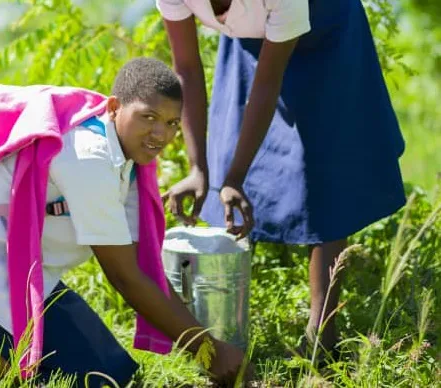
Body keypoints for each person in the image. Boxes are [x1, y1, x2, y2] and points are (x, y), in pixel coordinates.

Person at [0, 58, 245, 387]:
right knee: (80, 380)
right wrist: (208, 349)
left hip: (14, 267)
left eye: (170, 123)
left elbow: (140, 270)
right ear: (115, 107)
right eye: (148, 117)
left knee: (112, 371)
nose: (161, 135)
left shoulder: (124, 155)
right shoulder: (89, 157)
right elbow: (125, 277)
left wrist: (204, 344)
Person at [158, 0, 406, 359]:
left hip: (326, 30)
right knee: (227, 148)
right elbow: (186, 69)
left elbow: (268, 81)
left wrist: (234, 179)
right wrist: (199, 168)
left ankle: (322, 332)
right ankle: (222, 323)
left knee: (324, 165)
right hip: (253, 35)